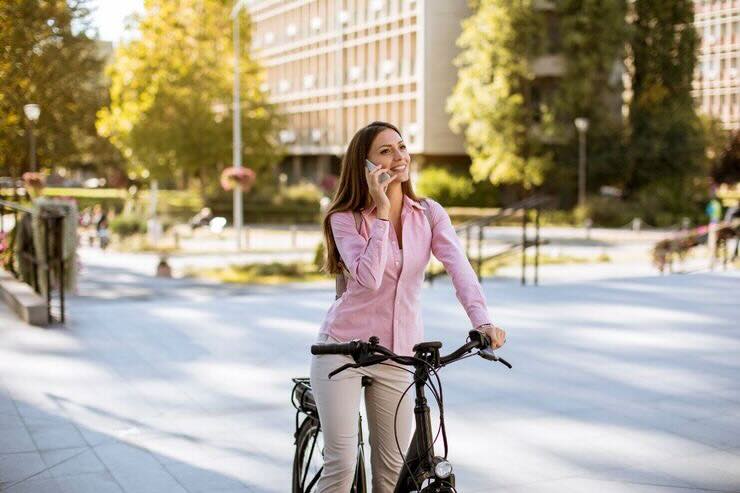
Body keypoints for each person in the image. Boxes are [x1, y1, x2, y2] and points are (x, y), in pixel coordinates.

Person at [310, 121, 506, 492]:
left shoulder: (429, 214)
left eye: (401, 147)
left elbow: (459, 269)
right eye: (385, 151)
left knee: (391, 474)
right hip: (342, 351)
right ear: (365, 166)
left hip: (399, 354)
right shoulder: (345, 219)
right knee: (341, 465)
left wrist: (483, 322)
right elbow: (368, 277)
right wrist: (382, 211)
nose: (399, 156)